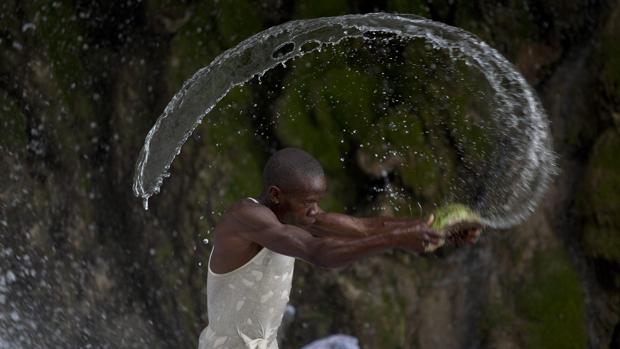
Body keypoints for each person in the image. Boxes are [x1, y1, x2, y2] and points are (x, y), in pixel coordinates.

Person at [198, 148, 479, 349]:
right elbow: (316, 251)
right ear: (275, 195)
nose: (315, 211)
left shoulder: (295, 215)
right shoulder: (247, 217)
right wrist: (396, 241)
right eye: (308, 203)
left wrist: (427, 229)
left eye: (318, 202)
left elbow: (364, 228)